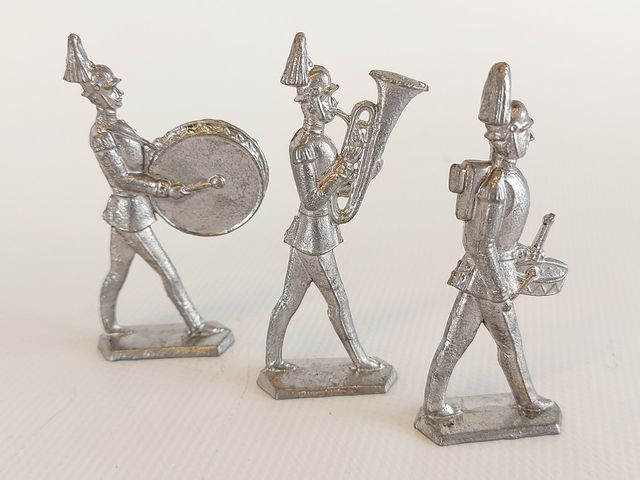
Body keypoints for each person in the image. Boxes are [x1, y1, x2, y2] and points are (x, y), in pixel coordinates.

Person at [422, 62, 554, 418]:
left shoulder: (509, 179)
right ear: (508, 136)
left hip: (485, 279)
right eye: (526, 130)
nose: (530, 137)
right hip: (490, 282)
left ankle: (434, 403)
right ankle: (527, 401)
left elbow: (499, 240)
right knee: (507, 345)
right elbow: (479, 244)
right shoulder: (496, 186)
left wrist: (520, 252)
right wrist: (500, 289)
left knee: (458, 343)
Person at [64, 34, 218, 337]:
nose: (118, 92)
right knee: (167, 271)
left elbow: (139, 159)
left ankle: (111, 327)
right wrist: (165, 188)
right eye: (111, 89)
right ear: (97, 96)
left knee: (117, 272)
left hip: (134, 211)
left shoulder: (118, 125)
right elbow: (122, 179)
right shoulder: (102, 135)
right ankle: (196, 325)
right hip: (130, 214)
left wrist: (159, 150)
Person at [264, 33, 380, 371]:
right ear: (312, 101)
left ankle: (273, 360)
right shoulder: (304, 145)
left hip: (313, 233)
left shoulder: (322, 142)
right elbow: (313, 199)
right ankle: (360, 360)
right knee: (337, 300)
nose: (334, 101)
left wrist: (365, 172)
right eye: (328, 95)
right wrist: (342, 169)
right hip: (314, 235)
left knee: (289, 299)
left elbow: (337, 192)